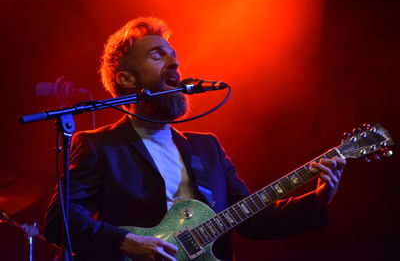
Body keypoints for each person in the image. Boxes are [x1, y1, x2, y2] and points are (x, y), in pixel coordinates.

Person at [44, 17, 346, 261]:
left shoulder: (207, 147)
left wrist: (316, 200)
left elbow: (254, 221)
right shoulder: (100, 146)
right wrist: (127, 242)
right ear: (126, 79)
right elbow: (61, 220)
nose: (174, 64)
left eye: (173, 56)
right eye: (157, 55)